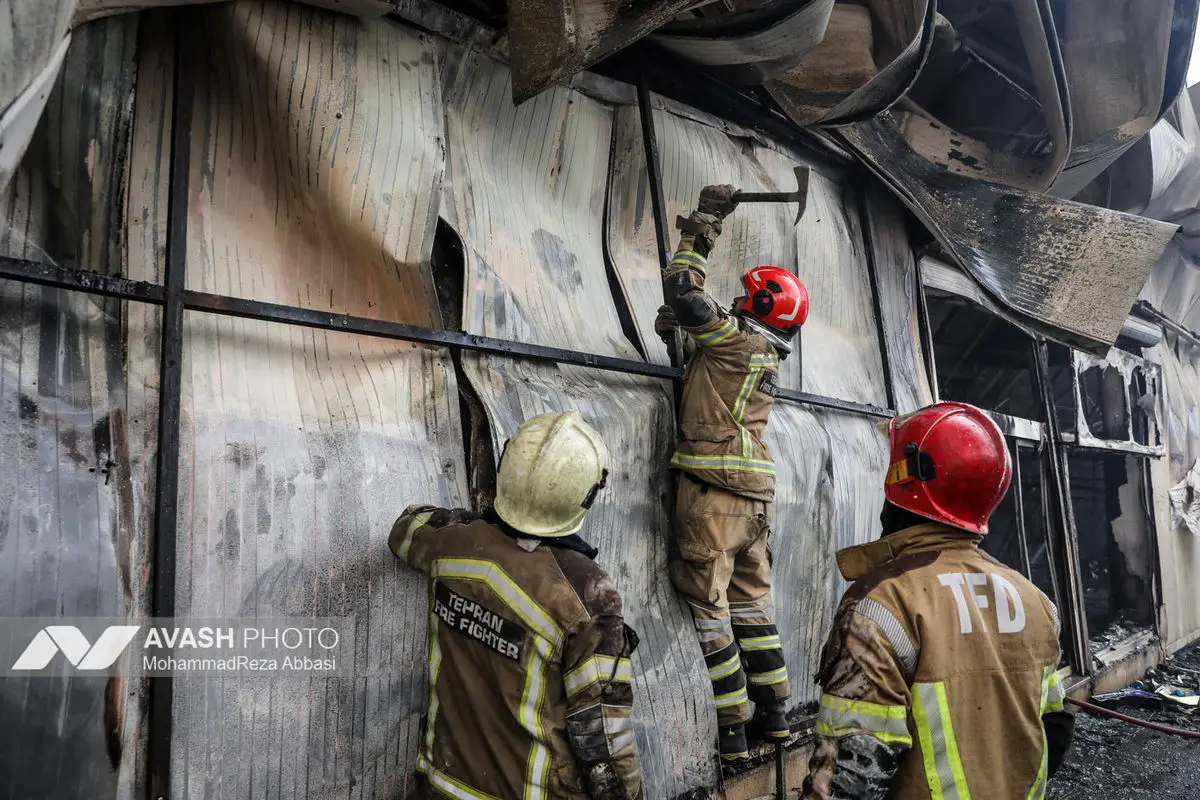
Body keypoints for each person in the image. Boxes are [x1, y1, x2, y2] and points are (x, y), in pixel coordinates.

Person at [801, 401, 1075, 799]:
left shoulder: (882, 604)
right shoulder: (1035, 601)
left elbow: (854, 776)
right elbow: (1056, 725)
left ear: (903, 483)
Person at [389, 411, 643, 800]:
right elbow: (602, 740)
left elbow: (404, 530)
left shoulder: (450, 545)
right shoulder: (587, 596)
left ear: (508, 468)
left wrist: (479, 525)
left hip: (442, 786)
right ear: (585, 496)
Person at [653, 184, 810, 764]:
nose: (737, 305)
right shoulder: (760, 353)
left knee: (712, 613)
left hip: (714, 499)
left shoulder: (736, 342)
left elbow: (684, 291)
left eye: (746, 299)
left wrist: (704, 224)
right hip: (754, 502)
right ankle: (775, 720)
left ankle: (733, 736)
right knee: (753, 613)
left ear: (759, 307)